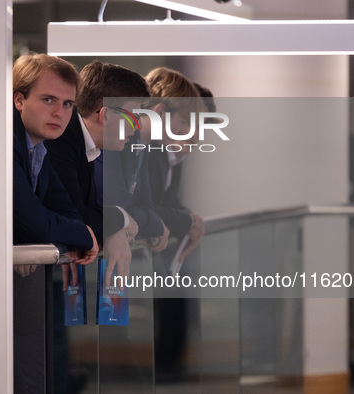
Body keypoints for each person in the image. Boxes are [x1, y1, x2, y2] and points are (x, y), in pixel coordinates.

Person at [12, 53, 99, 394]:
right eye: (48, 100)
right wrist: (84, 236)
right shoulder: (5, 144)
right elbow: (37, 221)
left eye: (67, 104)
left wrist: (81, 233)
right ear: (19, 99)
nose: (59, 113)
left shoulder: (39, 149)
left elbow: (67, 211)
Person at [46, 60, 152, 282]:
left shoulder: (88, 145)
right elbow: (75, 216)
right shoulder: (61, 140)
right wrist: (120, 218)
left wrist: (114, 229)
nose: (137, 127)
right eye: (133, 117)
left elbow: (87, 209)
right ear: (104, 115)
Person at [141, 67, 208, 383]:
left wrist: (187, 218)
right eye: (186, 124)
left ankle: (168, 364)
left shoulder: (170, 155)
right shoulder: (141, 150)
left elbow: (169, 204)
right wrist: (185, 220)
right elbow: (145, 208)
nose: (194, 135)